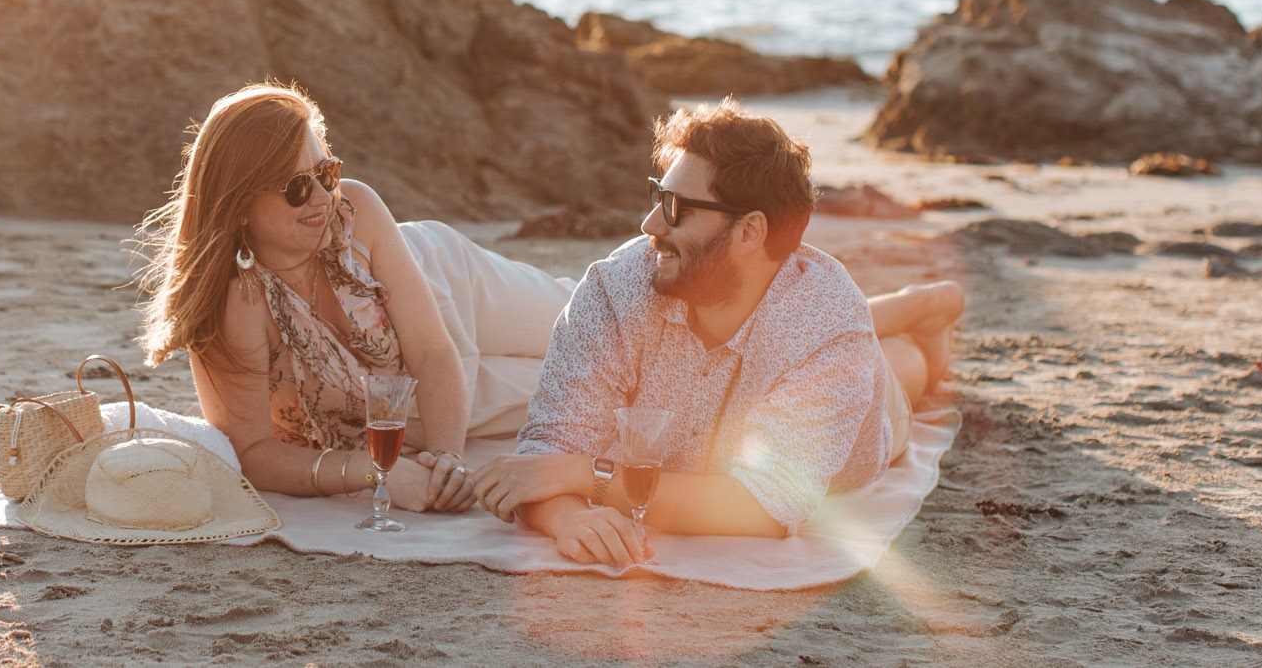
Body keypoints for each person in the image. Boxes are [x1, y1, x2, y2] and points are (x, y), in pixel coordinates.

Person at [472, 98, 964, 565]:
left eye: (674, 206)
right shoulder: (617, 286)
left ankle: (923, 314)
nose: (649, 224)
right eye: (655, 196)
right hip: (799, 329)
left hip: (868, 419)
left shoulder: (831, 328)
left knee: (904, 371)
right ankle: (906, 308)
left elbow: (760, 506)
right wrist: (568, 519)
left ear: (750, 231)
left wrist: (587, 475)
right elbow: (542, 455)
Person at [136, 82, 576, 513]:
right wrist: (375, 471)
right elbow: (252, 453)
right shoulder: (235, 305)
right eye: (295, 188)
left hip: (446, 293)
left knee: (596, 320)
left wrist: (449, 460)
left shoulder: (357, 208)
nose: (323, 198)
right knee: (593, 394)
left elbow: (432, 350)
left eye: (326, 173)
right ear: (239, 206)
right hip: (423, 407)